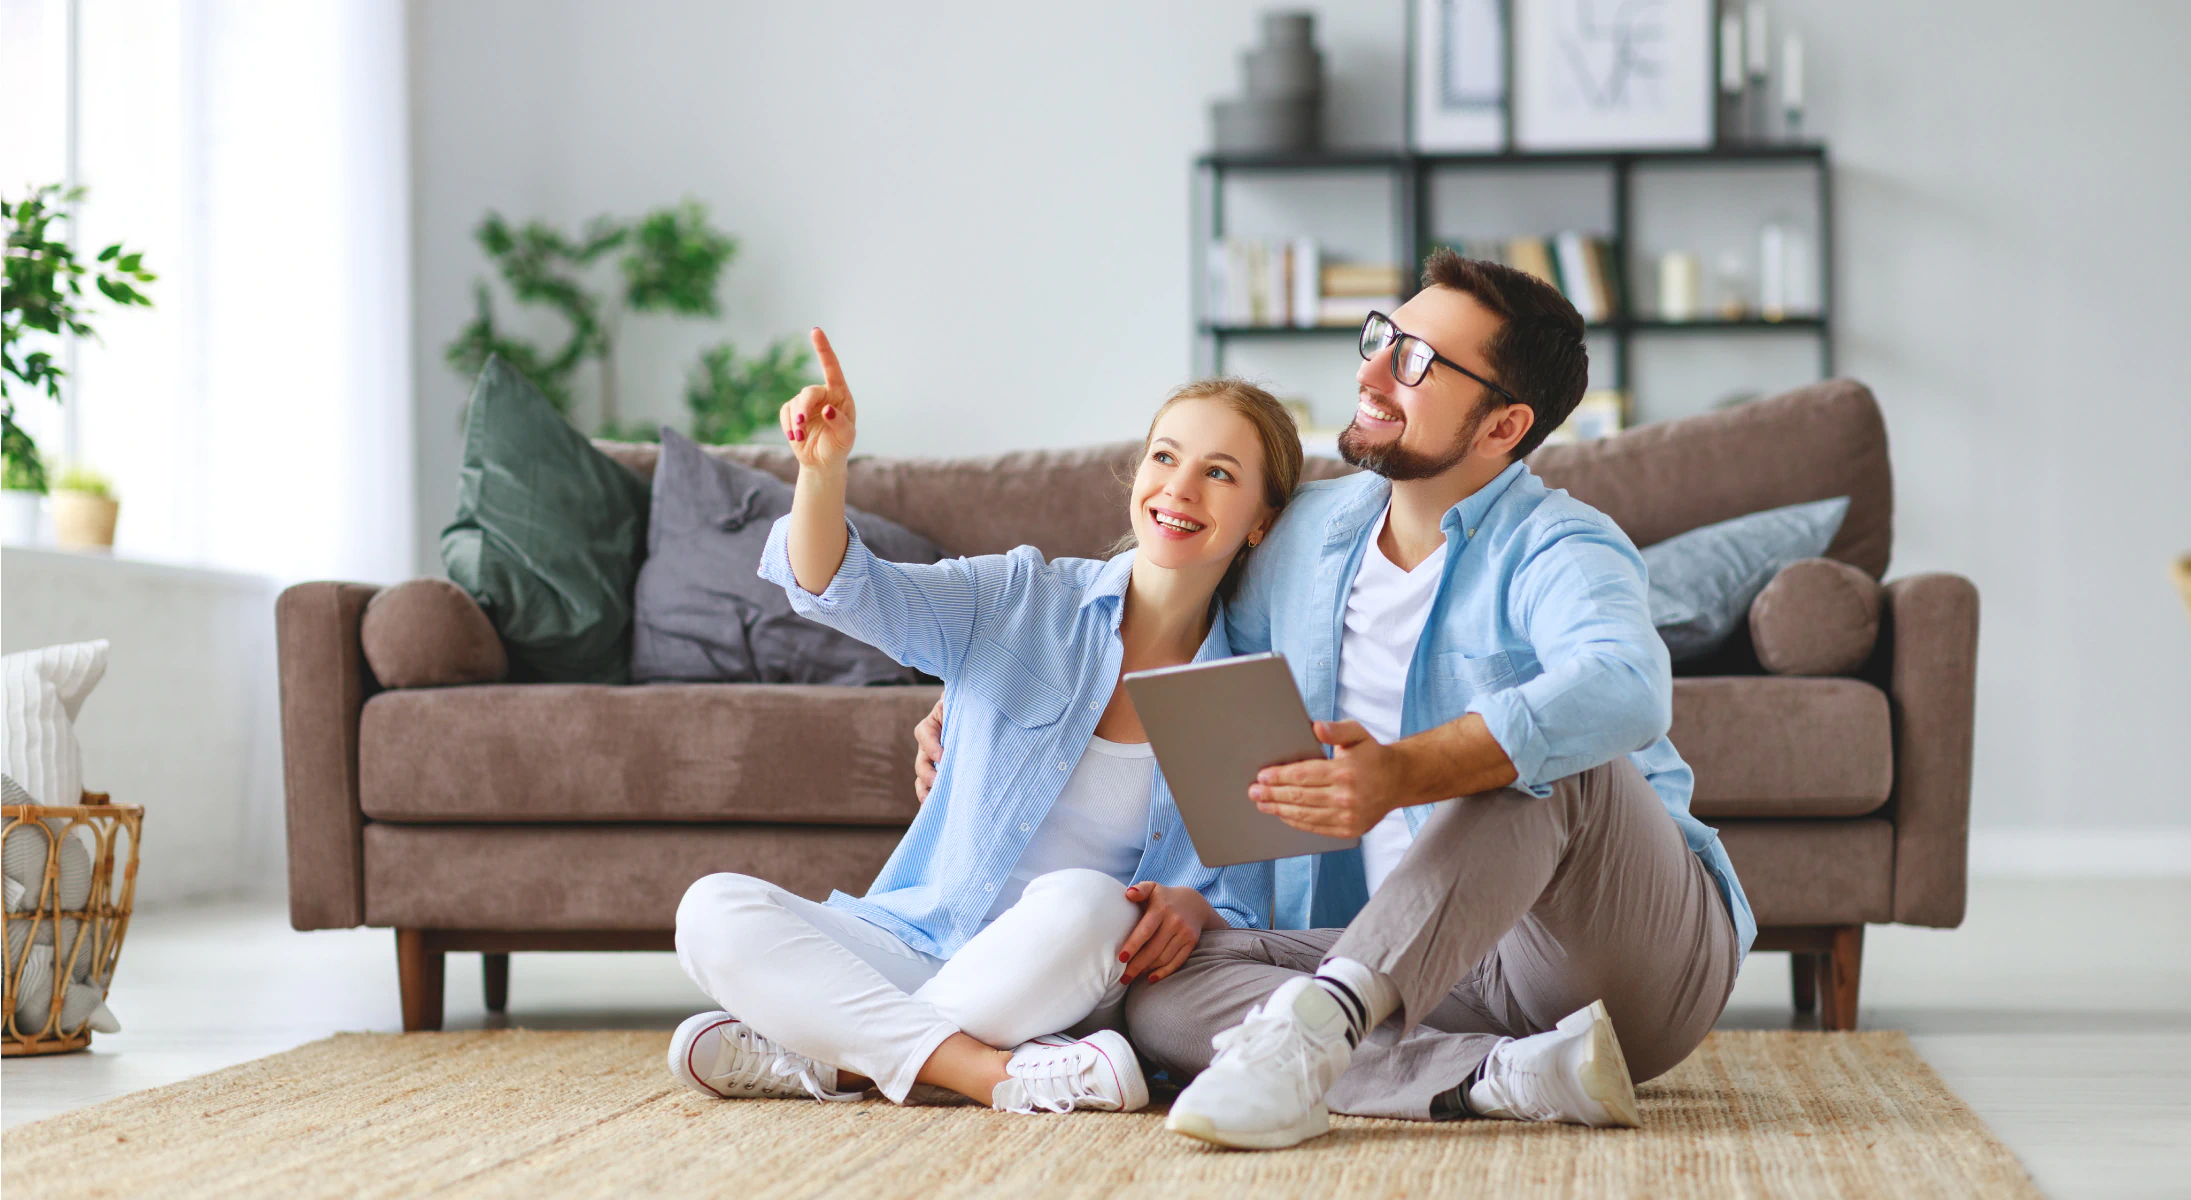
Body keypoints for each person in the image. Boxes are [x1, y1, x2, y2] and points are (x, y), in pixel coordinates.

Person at [914, 252, 1754, 1149]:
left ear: (1504, 425)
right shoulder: (1305, 532)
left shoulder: (1560, 545)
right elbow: (1157, 598)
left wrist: (1402, 773)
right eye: (1381, 339)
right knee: (1156, 993)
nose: (1370, 372)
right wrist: (983, 693)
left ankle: (1316, 1040)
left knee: (1544, 764)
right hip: (1418, 965)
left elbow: (1624, 686)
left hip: (1613, 958)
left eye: (1418, 362)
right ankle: (1493, 1075)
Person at [669, 328, 1302, 1117]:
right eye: (1165, 458)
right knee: (711, 910)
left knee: (1088, 902)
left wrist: (1194, 906)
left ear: (1260, 521)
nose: (1180, 489)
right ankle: (988, 1073)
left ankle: (833, 1056)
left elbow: (1245, 910)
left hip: (1064, 972)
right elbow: (848, 589)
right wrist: (821, 473)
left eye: (1219, 473)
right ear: (1137, 473)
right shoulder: (1020, 597)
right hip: (914, 941)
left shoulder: (1246, 696)